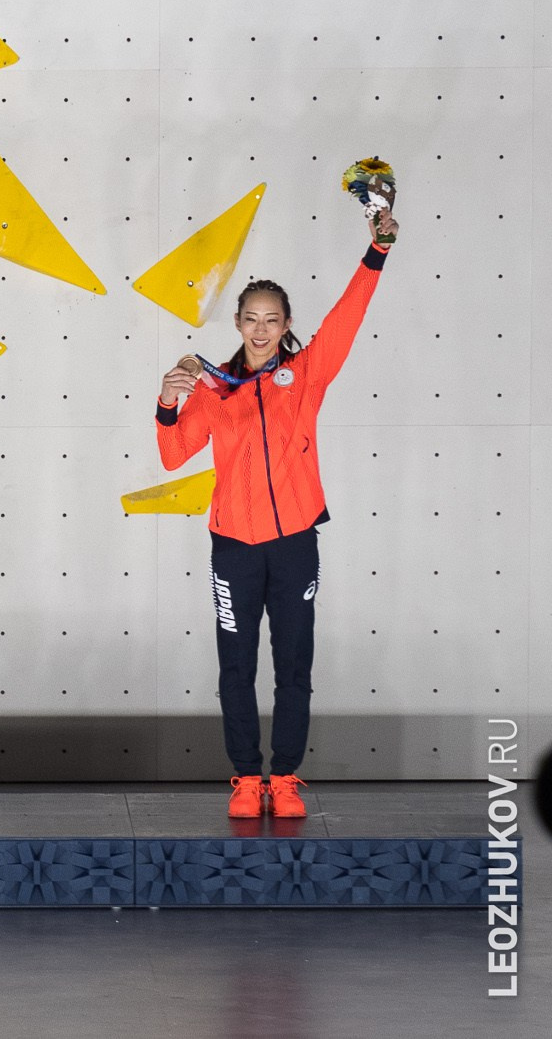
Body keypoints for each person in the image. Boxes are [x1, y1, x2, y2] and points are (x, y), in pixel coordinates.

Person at [156, 202, 398, 818]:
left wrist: (377, 251)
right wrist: (167, 403)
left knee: (293, 664)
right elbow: (173, 455)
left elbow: (348, 315)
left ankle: (284, 778)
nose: (261, 330)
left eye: (272, 320)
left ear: (286, 324)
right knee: (235, 667)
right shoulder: (215, 388)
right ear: (237, 323)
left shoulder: (306, 375)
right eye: (251, 319)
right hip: (233, 548)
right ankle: (245, 779)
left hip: (294, 545)